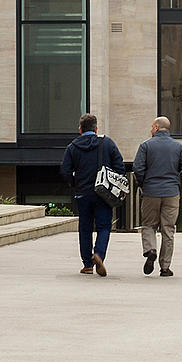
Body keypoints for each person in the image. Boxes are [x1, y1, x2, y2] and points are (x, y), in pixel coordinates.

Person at [60, 113, 124, 276]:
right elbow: (120, 167)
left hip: (83, 194)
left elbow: (65, 171)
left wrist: (75, 183)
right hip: (103, 194)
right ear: (96, 129)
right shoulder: (107, 143)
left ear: (80, 129)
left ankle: (87, 264)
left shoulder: (72, 147)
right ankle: (99, 255)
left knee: (85, 228)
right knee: (104, 227)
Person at [132, 115, 182, 277]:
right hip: (171, 192)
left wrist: (144, 183)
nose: (151, 129)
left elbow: (137, 168)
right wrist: (177, 181)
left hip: (151, 191)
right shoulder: (179, 147)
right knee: (168, 229)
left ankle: (150, 249)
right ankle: (165, 267)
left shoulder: (145, 146)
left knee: (148, 225)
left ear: (157, 128)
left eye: (152, 126)